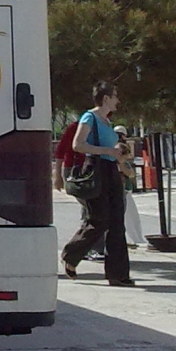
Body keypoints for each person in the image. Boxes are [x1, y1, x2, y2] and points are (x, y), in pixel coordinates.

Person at [61, 81, 135, 286]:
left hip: (111, 170)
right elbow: (78, 145)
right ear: (106, 98)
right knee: (99, 219)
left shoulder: (107, 122)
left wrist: (119, 154)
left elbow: (110, 149)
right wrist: (107, 151)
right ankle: (71, 254)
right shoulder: (89, 117)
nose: (118, 100)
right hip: (96, 170)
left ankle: (118, 274)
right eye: (115, 96)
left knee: (117, 223)